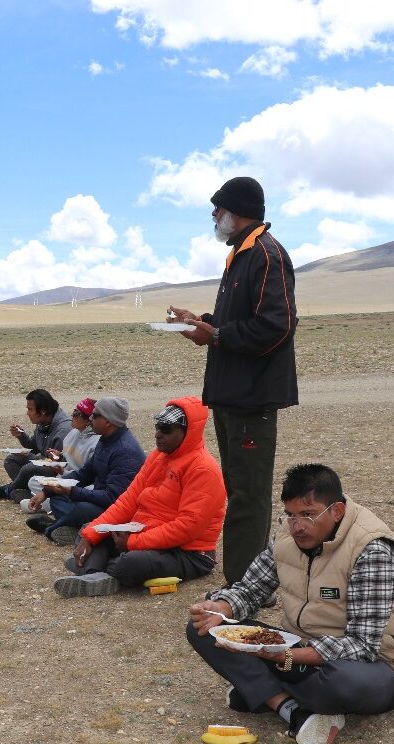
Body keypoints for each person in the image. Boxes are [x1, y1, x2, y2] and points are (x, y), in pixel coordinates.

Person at [186, 464, 394, 744]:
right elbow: (251, 589)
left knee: (344, 683)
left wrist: (279, 655)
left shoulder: (372, 551)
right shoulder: (288, 536)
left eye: (308, 515)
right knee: (206, 628)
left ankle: (260, 687)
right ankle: (290, 708)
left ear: (336, 511)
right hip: (298, 650)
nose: (297, 526)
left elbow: (362, 646)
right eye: (290, 515)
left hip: (374, 665)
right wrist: (221, 608)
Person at [168, 177, 297, 586]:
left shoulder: (266, 254)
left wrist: (218, 335)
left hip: (251, 398)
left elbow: (277, 326)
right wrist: (202, 322)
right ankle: (244, 584)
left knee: (248, 497)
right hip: (231, 395)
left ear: (236, 211)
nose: (213, 216)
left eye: (217, 209)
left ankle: (245, 588)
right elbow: (239, 322)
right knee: (238, 489)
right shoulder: (241, 255)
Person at [53, 397, 224, 598]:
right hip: (146, 534)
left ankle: (94, 567)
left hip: (190, 552)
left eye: (166, 430)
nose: (158, 434)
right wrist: (91, 535)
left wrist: (134, 543)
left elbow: (187, 527)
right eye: (158, 427)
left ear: (188, 432)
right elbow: (128, 500)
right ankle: (94, 574)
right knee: (91, 531)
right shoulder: (157, 457)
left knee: (130, 563)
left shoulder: (202, 469)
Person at [25, 397, 144, 546]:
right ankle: (73, 526)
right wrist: (47, 491)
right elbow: (84, 474)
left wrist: (71, 492)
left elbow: (113, 498)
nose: (91, 419)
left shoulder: (125, 451)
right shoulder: (106, 440)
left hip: (118, 511)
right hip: (101, 501)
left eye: (95, 415)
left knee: (82, 508)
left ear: (108, 421)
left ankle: (52, 528)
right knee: (57, 498)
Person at [0, 389, 69, 502]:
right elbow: (34, 446)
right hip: (44, 462)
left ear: (42, 411)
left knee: (29, 468)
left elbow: (57, 464)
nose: (27, 413)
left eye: (30, 409)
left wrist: (38, 460)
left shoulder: (62, 430)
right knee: (12, 459)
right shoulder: (44, 422)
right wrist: (21, 436)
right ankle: (25, 491)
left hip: (59, 472)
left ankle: (8, 491)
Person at [19, 398, 99, 515]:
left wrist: (63, 472)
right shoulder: (74, 433)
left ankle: (47, 504)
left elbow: (87, 476)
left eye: (77, 414)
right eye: (73, 411)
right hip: (65, 477)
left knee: (86, 491)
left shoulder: (96, 443)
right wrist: (59, 457)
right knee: (33, 481)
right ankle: (49, 503)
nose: (72, 415)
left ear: (88, 421)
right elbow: (67, 458)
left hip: (81, 483)